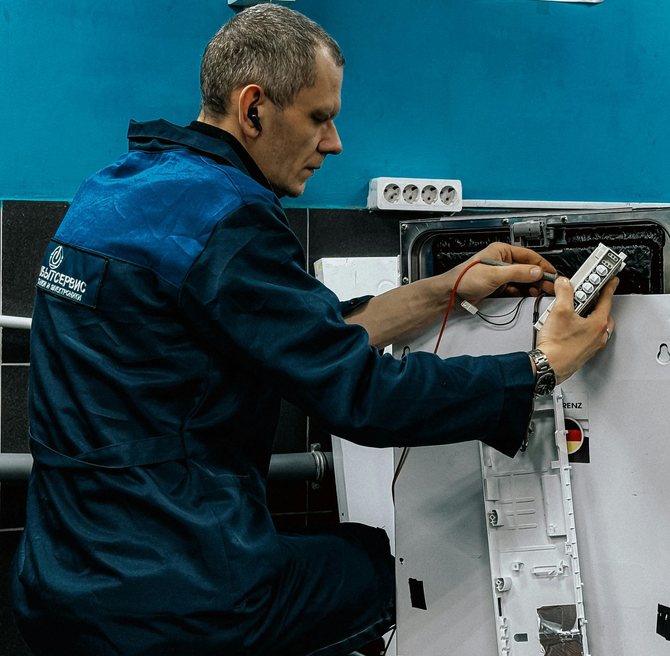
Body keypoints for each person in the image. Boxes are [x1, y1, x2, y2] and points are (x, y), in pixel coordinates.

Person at [10, 5, 616, 656]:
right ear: (254, 109)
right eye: (320, 117)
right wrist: (538, 370)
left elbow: (288, 337)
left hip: (58, 578)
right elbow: (362, 396)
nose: (334, 144)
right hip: (175, 590)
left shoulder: (115, 192)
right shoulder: (230, 217)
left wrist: (443, 289)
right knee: (381, 570)